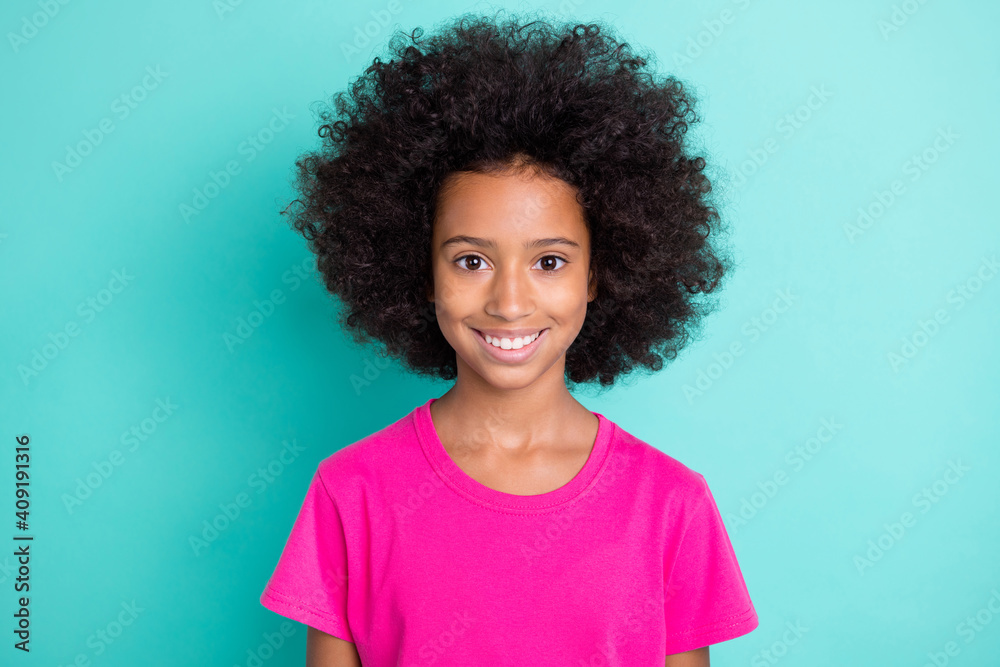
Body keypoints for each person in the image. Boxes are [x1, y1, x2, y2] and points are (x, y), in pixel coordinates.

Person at [260, 9, 758, 666]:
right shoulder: (351, 493)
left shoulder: (670, 505)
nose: (510, 301)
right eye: (472, 260)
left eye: (549, 261)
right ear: (421, 269)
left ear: (598, 274)